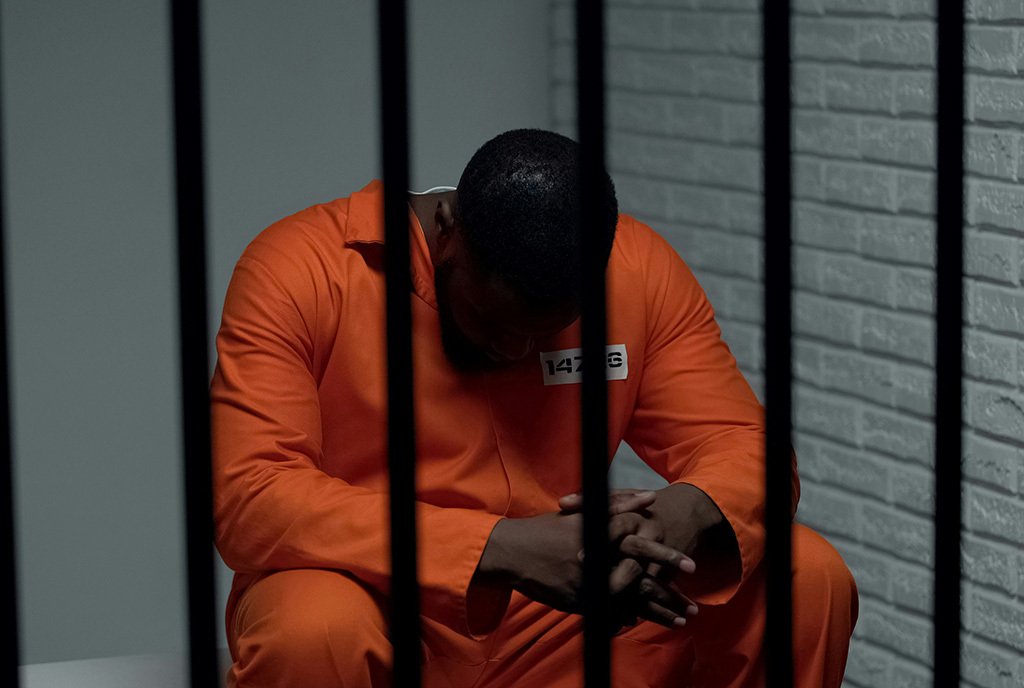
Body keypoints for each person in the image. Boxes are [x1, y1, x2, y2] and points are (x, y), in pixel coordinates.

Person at [211, 129, 858, 688]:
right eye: (490, 319)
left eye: (544, 332)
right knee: (310, 620)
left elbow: (747, 448)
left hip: (566, 621)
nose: (514, 349)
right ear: (447, 230)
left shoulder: (637, 271)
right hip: (379, 604)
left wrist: (675, 517)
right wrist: (500, 546)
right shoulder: (301, 270)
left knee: (805, 574)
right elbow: (250, 496)